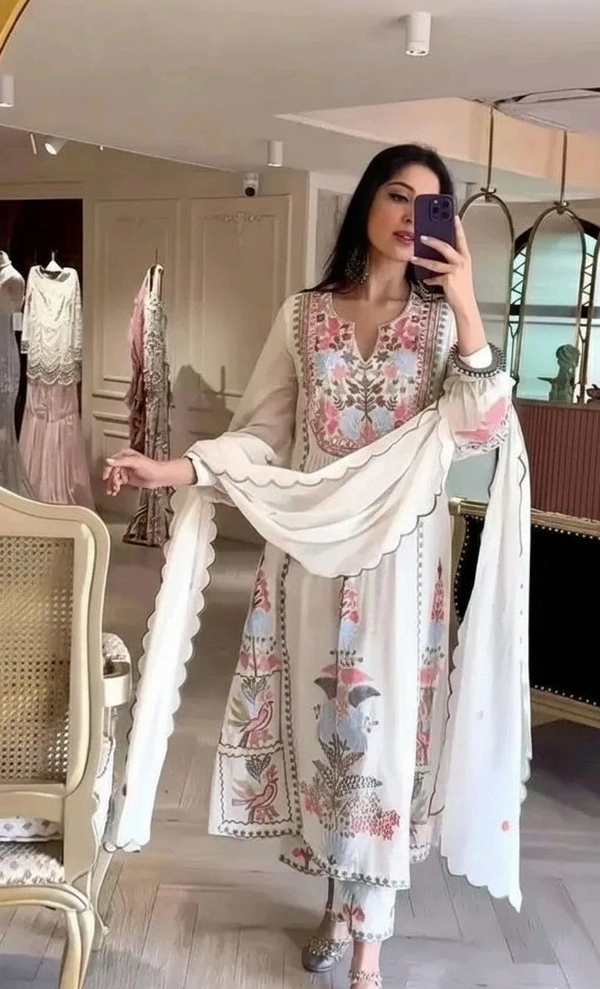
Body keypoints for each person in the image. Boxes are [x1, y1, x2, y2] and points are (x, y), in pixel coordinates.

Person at [104, 145, 515, 989]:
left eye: (429, 205)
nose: (409, 216)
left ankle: (370, 947)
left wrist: (468, 303)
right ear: (366, 204)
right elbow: (261, 433)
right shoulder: (303, 316)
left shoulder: (443, 327)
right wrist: (175, 470)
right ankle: (337, 901)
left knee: (382, 741)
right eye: (396, 195)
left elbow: (478, 428)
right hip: (310, 564)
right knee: (324, 730)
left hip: (401, 571)